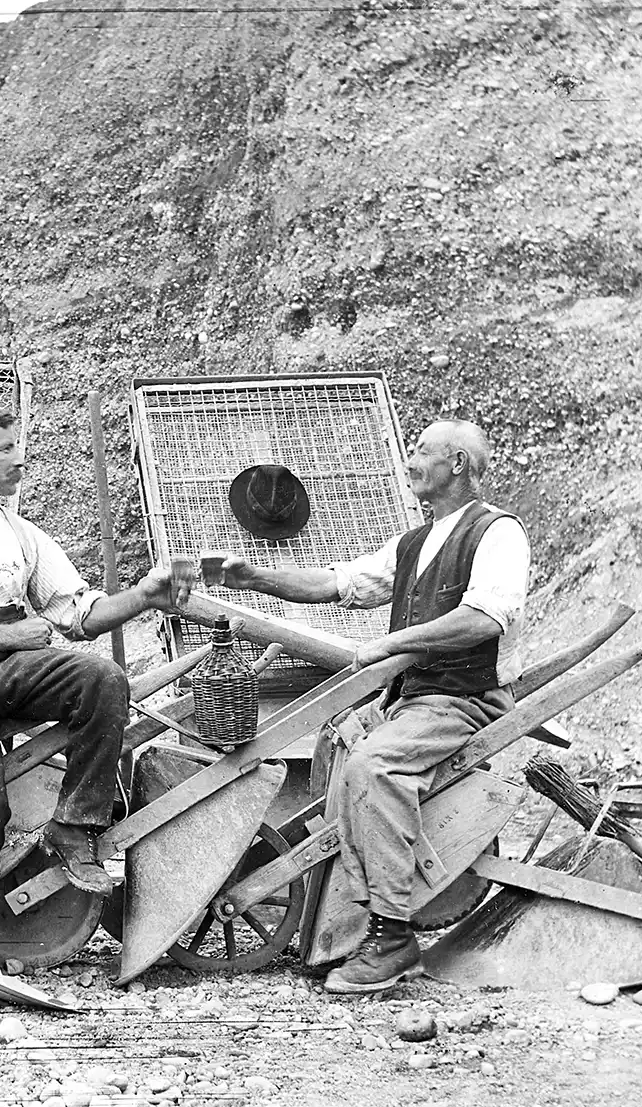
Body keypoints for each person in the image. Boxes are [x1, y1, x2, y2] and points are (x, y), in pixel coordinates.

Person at [209, 419, 529, 994]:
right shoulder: (416, 541)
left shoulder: (497, 533)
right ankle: (338, 919)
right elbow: (336, 583)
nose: (409, 458)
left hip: (463, 697)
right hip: (414, 698)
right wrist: (255, 577)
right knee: (338, 741)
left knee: (375, 766)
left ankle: (393, 935)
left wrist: (394, 642)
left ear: (457, 464)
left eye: (420, 450)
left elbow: (484, 618)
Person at [0, 404, 192, 918]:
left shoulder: (21, 534)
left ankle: (73, 825)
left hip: (11, 668)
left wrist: (145, 595)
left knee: (102, 678)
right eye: (6, 448)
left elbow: (81, 615)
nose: (21, 459)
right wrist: (12, 631)